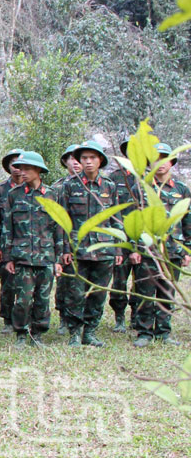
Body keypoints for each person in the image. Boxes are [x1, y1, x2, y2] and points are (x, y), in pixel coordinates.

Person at [57, 140, 122, 348]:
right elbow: (62, 220)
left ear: (100, 160)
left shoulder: (110, 187)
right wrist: (65, 249)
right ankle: (74, 333)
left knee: (98, 293)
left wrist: (118, 247)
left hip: (104, 249)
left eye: (92, 158)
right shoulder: (69, 186)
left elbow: (116, 219)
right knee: (75, 293)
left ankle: (90, 332)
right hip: (78, 250)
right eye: (84, 158)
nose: (88, 162)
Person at [1, 151, 63, 348]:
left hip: (46, 257)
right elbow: (7, 228)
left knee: (43, 299)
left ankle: (38, 334)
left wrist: (59, 259)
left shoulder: (53, 195)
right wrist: (9, 257)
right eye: (20, 168)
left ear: (38, 171)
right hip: (22, 257)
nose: (22, 172)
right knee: (23, 299)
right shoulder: (14, 195)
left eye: (27, 168)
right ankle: (21, 333)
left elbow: (59, 228)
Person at [132, 143, 191, 347]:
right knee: (145, 291)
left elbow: (187, 221)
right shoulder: (140, 188)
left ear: (172, 162)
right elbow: (132, 219)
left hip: (172, 250)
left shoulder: (182, 190)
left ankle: (164, 332)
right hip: (147, 250)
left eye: (164, 158)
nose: (160, 163)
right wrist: (134, 247)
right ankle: (144, 332)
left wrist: (187, 250)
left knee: (167, 292)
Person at [0, 148, 24, 334]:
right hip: (5, 246)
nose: (17, 169)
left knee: (28, 285)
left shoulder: (34, 189)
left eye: (21, 165)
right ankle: (8, 320)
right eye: (13, 165)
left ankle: (27, 319)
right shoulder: (0, 190)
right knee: (8, 284)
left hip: (29, 245)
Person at [108, 136, 141, 333]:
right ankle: (119, 317)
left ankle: (136, 317)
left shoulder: (150, 178)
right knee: (119, 281)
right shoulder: (114, 178)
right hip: (121, 239)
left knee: (142, 281)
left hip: (144, 240)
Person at [51, 144, 80, 335]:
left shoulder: (102, 186)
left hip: (90, 244)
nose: (76, 162)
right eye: (72, 158)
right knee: (65, 283)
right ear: (65, 162)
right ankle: (63, 318)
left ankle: (82, 320)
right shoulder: (57, 187)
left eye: (79, 158)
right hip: (65, 243)